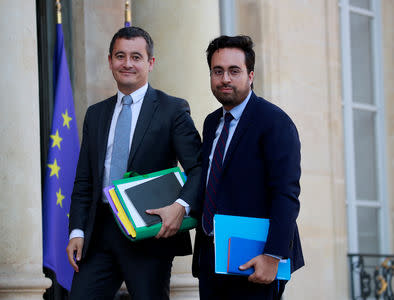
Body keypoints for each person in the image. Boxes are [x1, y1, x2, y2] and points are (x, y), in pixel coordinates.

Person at [67, 26, 202, 300]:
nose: (127, 63)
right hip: (100, 233)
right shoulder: (95, 114)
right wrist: (77, 230)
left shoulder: (172, 110)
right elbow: (84, 180)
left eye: (136, 57)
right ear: (110, 61)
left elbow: (198, 168)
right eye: (120, 56)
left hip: (149, 233)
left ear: (150, 63)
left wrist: (180, 207)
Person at [192, 35, 304, 300]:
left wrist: (272, 255)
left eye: (234, 71)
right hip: (212, 261)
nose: (225, 79)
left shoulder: (274, 122)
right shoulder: (211, 123)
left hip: (257, 261)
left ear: (250, 75)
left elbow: (286, 194)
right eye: (217, 71)